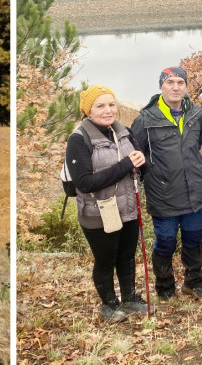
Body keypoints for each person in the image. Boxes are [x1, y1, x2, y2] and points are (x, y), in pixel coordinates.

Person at [67, 84, 148, 323]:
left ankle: (130, 298)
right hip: (97, 212)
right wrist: (126, 164)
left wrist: (142, 162)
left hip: (127, 209)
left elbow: (139, 169)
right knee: (105, 259)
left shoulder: (125, 132)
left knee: (126, 256)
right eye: (100, 106)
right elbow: (84, 182)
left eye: (111, 104)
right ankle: (109, 304)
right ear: (88, 110)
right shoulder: (78, 139)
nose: (108, 110)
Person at [130, 67, 202, 300]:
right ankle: (165, 286)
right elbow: (137, 156)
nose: (175, 87)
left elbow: (194, 146)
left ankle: (194, 282)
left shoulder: (195, 113)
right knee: (165, 242)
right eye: (170, 82)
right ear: (161, 86)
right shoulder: (146, 118)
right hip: (164, 194)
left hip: (194, 192)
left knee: (193, 239)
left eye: (180, 82)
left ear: (186, 86)